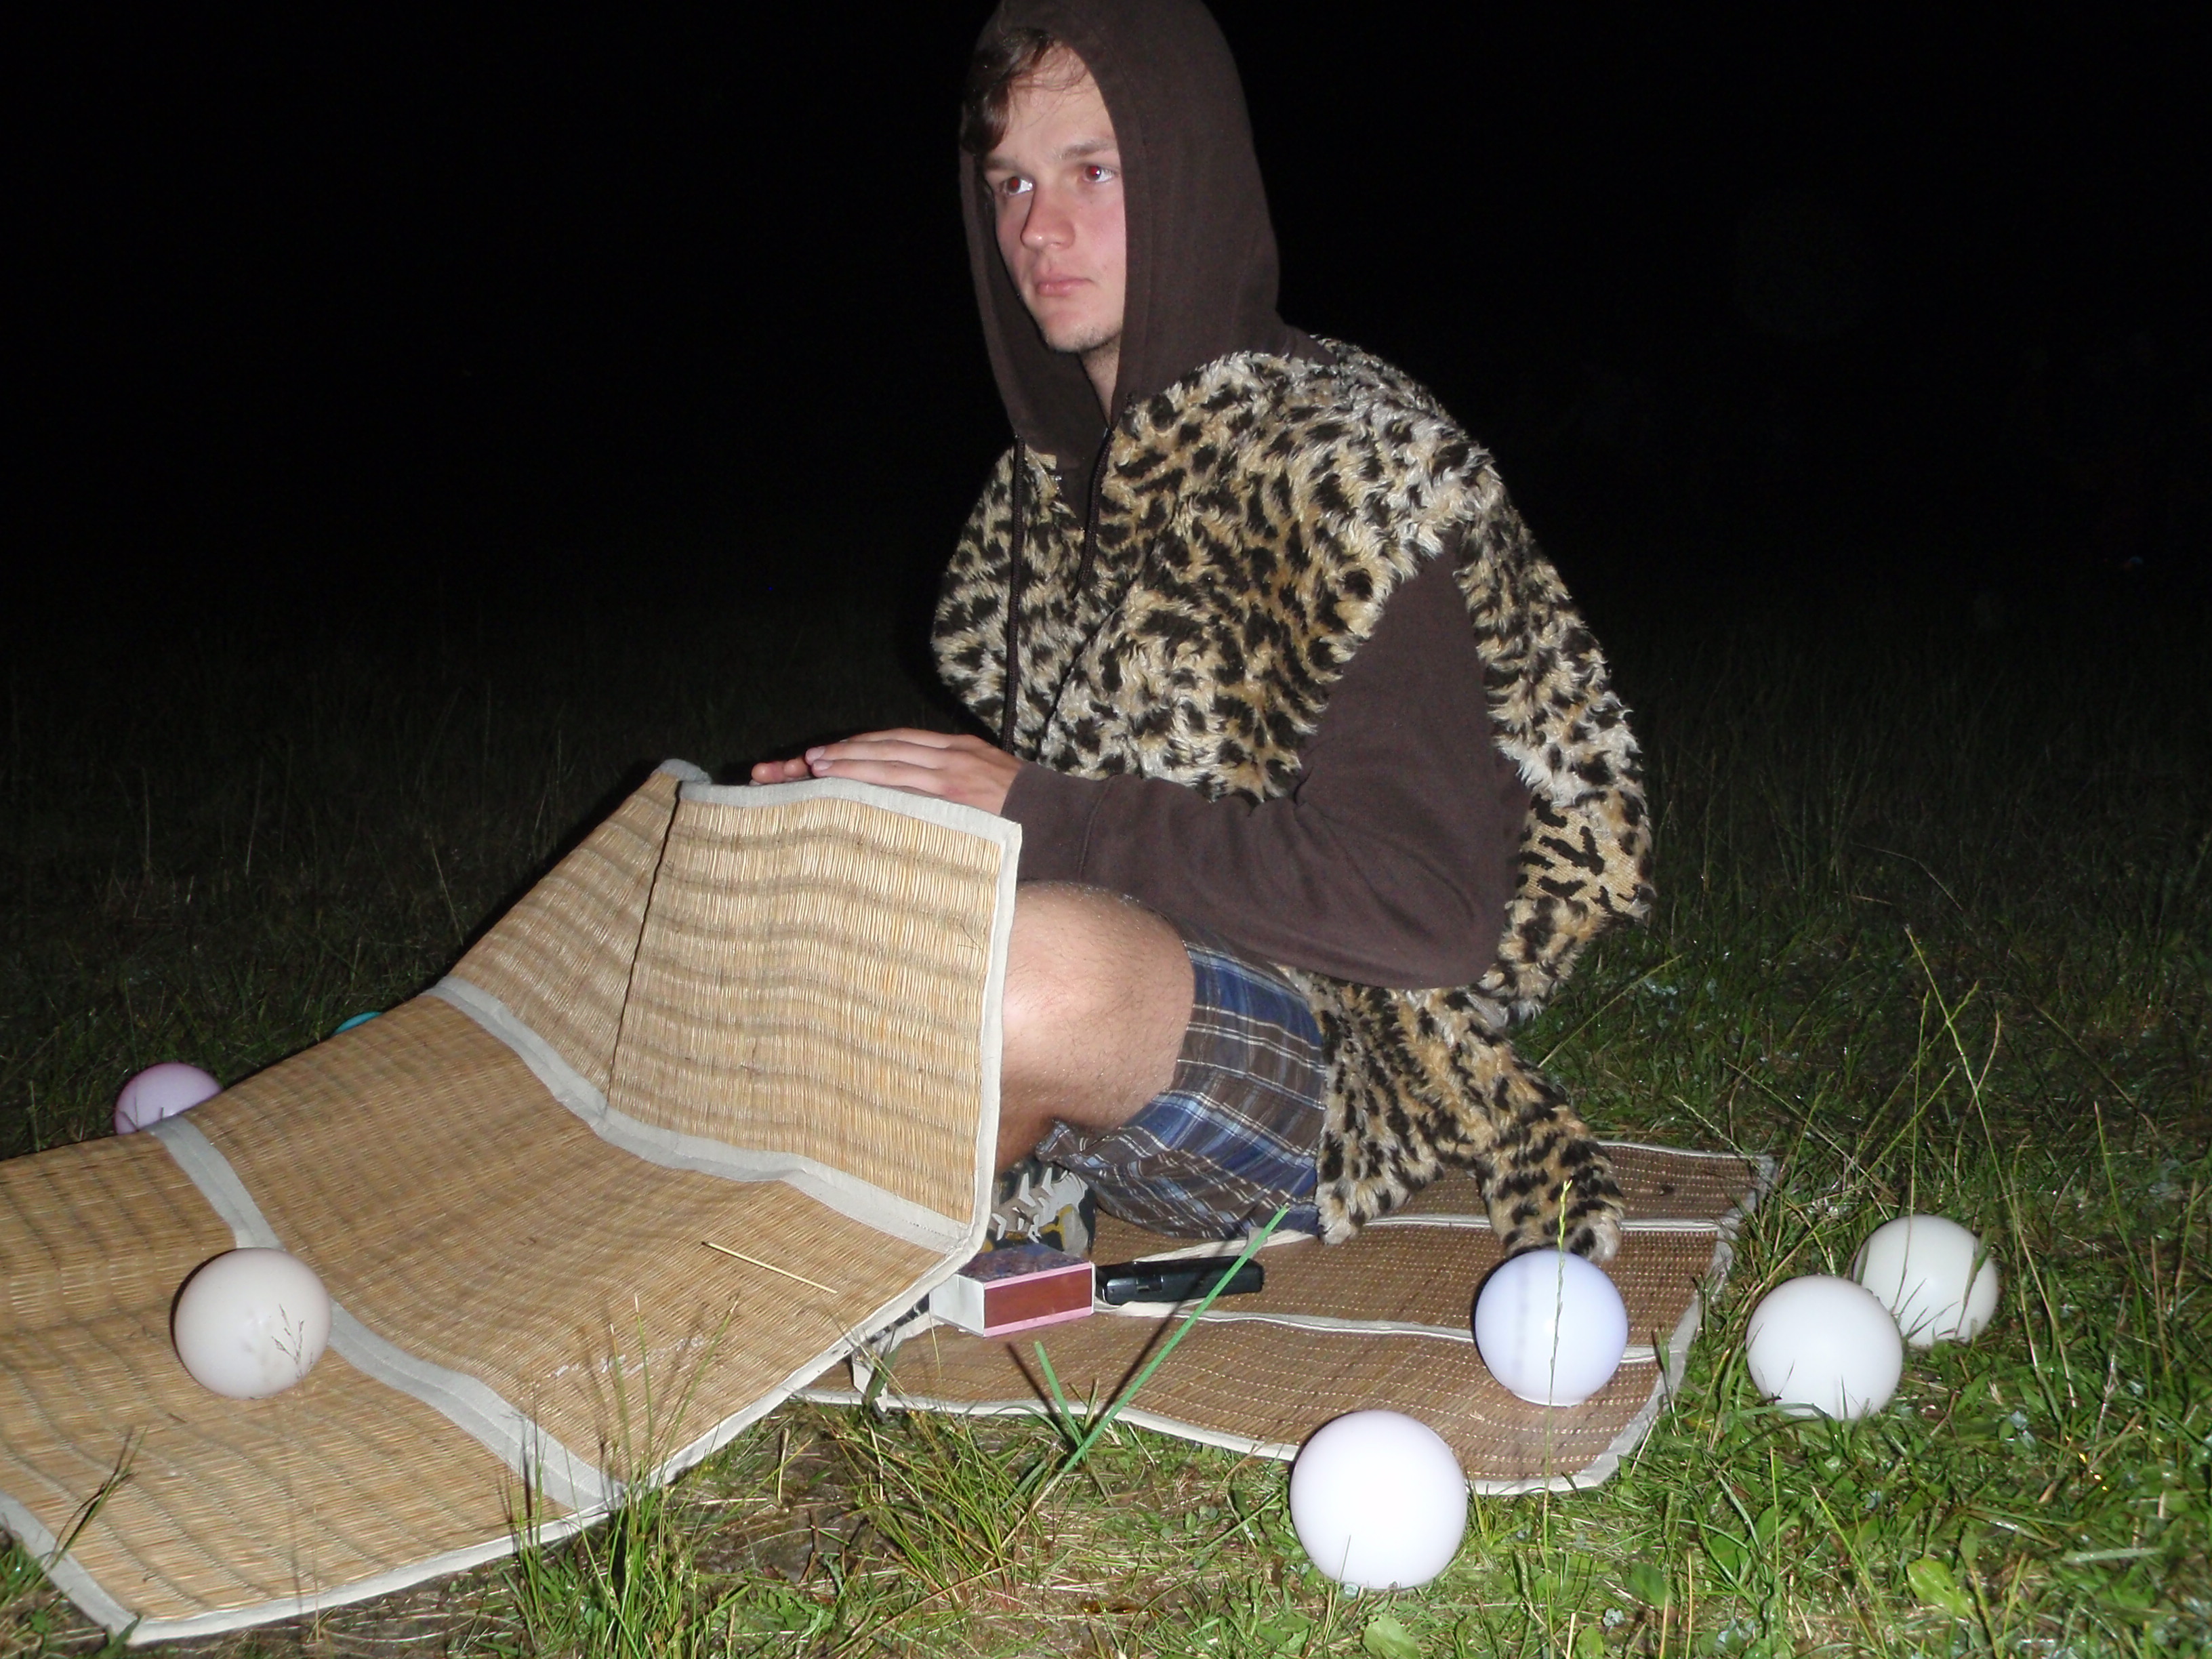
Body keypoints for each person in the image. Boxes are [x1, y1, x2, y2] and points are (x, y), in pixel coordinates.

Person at [752, 0, 1650, 1261]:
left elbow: (1432, 910)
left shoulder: (1349, 469)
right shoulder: (1046, 495)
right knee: (786, 892)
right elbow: (1087, 811)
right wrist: (879, 812)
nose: (1037, 229)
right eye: (1009, 184)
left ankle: (827, 1271)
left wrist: (1040, 813)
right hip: (1137, 968)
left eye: (1093, 172)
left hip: (1348, 1055)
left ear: (1188, 178)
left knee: (1028, 977)